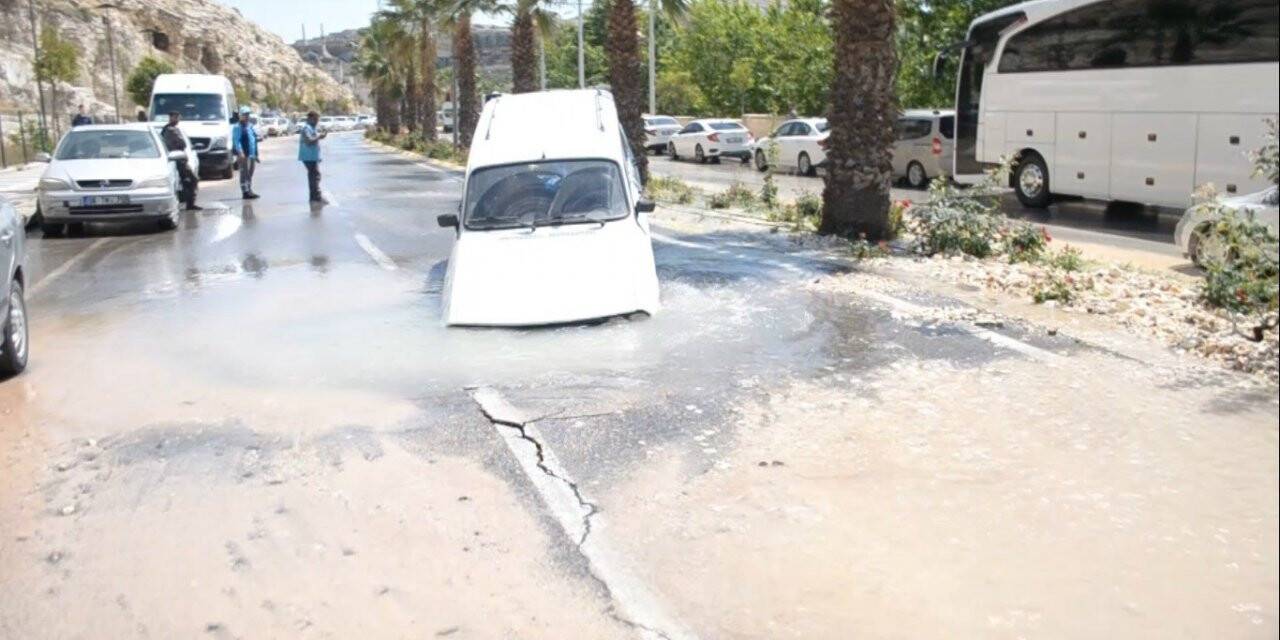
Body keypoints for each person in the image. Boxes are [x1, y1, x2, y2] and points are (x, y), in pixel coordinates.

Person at [161, 111, 201, 211]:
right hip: (178, 160)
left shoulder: (170, 129)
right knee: (191, 180)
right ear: (171, 118)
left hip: (179, 159)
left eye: (178, 118)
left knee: (188, 181)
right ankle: (190, 204)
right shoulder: (170, 130)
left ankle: (190, 203)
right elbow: (182, 143)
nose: (178, 120)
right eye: (176, 117)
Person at [298, 111, 327, 203]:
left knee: (314, 175)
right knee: (315, 176)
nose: (317, 121)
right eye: (315, 119)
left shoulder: (311, 128)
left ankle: (314, 196)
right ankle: (316, 197)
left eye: (317, 119)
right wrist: (319, 137)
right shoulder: (306, 128)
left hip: (312, 156)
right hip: (308, 157)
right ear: (310, 118)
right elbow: (309, 141)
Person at [232, 106, 260, 199]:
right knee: (244, 173)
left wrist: (256, 154)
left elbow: (254, 139)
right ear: (241, 115)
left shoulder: (250, 126)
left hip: (251, 154)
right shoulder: (237, 127)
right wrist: (240, 152)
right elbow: (236, 140)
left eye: (248, 114)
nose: (247, 116)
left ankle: (249, 189)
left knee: (250, 172)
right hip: (244, 154)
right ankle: (245, 192)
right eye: (245, 114)